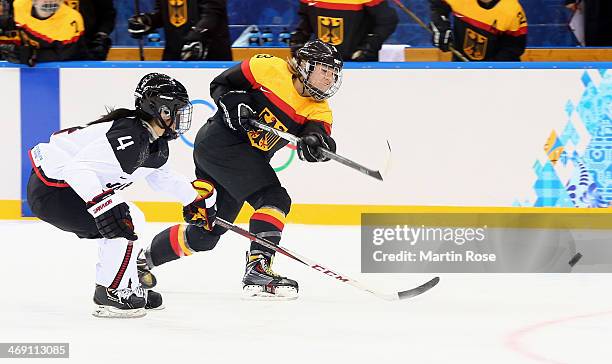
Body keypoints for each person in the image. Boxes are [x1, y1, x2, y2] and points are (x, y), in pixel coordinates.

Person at [137, 40, 343, 300]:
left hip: (239, 160)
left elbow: (319, 135)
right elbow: (221, 84)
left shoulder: (319, 109)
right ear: (304, 66)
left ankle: (142, 262)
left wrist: (317, 145)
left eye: (334, 72)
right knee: (274, 198)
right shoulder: (266, 67)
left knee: (207, 234)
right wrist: (234, 102)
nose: (330, 78)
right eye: (324, 70)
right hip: (220, 143)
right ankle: (259, 267)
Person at [26, 73, 217, 318]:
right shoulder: (129, 135)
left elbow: (162, 178)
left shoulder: (152, 141)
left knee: (130, 216)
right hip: (53, 190)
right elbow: (77, 170)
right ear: (155, 107)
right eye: (174, 110)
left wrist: (194, 198)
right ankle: (110, 290)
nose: (179, 118)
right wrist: (101, 204)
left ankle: (124, 285)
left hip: (62, 189)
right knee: (126, 218)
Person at [289, 0, 398, 61]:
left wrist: (368, 48)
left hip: (358, 66)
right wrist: (299, 40)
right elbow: (306, 21)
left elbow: (387, 21)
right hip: (320, 65)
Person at [127, 0, 231, 61]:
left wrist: (196, 35)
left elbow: (213, 14)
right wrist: (147, 21)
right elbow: (162, 14)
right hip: (174, 55)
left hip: (209, 57)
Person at [429, 0, 528, 61]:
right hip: (461, 69)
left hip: (499, 75)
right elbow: (438, 6)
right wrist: (440, 25)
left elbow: (514, 49)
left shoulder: (512, 10)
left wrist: (487, 70)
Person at [0, 0, 86, 65]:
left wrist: (32, 55)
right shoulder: (19, 5)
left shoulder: (71, 20)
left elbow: (66, 55)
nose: (50, 1)